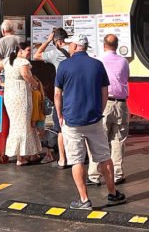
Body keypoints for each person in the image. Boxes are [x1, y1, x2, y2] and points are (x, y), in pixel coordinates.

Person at [55, 35, 126, 210]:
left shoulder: (64, 66)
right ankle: (113, 193)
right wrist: (99, 111)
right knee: (104, 157)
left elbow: (58, 94)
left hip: (72, 120)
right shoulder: (97, 64)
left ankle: (84, 199)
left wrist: (60, 115)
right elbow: (104, 91)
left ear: (74, 46)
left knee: (77, 160)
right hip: (94, 119)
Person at [88, 33, 129, 186]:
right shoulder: (124, 62)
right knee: (119, 139)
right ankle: (117, 174)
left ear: (104, 45)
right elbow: (126, 78)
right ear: (117, 45)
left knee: (99, 139)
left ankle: (94, 174)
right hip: (121, 104)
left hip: (104, 103)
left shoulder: (99, 61)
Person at [35, 28, 72, 167]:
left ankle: (62, 159)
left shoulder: (55, 53)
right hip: (76, 94)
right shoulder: (74, 50)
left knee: (61, 128)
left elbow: (37, 55)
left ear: (57, 41)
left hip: (62, 95)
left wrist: (48, 40)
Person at [4, 39, 44, 165]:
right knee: (24, 125)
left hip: (10, 96)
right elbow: (26, 75)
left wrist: (1, 82)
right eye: (27, 50)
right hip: (21, 96)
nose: (29, 53)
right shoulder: (22, 62)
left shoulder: (7, 61)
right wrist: (36, 84)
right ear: (20, 51)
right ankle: (21, 157)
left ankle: (28, 154)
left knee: (19, 124)